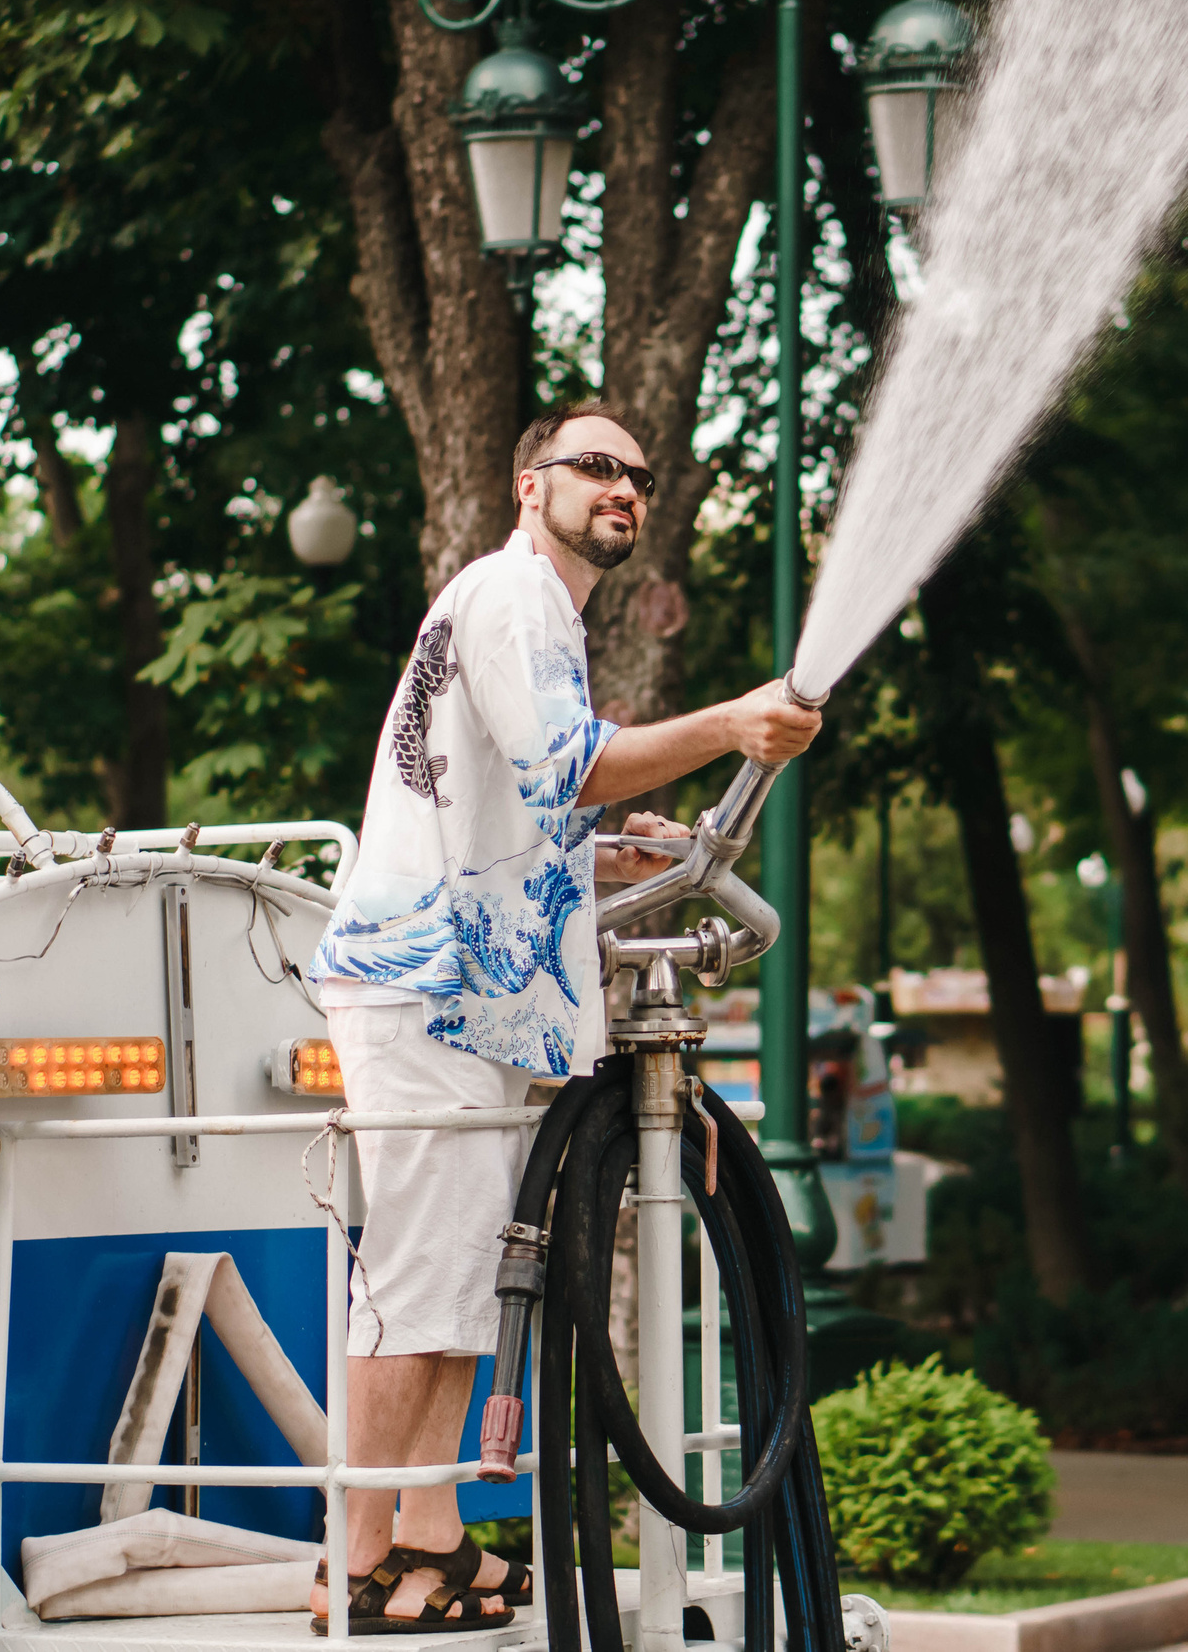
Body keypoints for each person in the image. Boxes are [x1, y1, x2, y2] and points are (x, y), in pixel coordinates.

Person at [301, 399, 822, 1634]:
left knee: (461, 1285)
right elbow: (570, 765)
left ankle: (426, 1537)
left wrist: (607, 857)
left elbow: (525, 811)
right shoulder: (513, 595)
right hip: (427, 981)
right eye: (594, 467)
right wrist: (730, 726)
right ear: (527, 484)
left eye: (638, 476)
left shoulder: (532, 615)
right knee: (420, 1277)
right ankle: (351, 1563)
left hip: (462, 989)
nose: (621, 488)